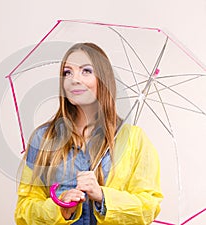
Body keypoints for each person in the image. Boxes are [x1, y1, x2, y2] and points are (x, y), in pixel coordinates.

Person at [15, 42, 163, 225]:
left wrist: (102, 197)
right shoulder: (44, 138)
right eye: (67, 72)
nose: (74, 79)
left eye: (86, 71)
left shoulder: (133, 139)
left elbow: (149, 206)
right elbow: (24, 211)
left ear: (103, 79)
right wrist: (60, 209)